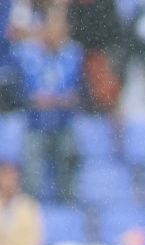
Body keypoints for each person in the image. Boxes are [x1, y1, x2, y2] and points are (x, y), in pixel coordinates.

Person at [16, 11, 80, 204]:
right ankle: (31, 212)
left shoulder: (73, 54)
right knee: (32, 175)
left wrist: (53, 100)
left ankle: (68, 209)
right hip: (36, 125)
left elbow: (74, 94)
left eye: (60, 30)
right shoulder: (28, 55)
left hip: (63, 123)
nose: (55, 35)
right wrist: (55, 100)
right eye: (51, 30)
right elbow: (30, 95)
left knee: (69, 162)